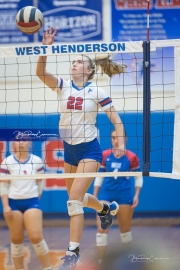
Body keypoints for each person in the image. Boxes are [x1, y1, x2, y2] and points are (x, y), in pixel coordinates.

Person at [36, 27, 126, 270]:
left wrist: (122, 142)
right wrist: (46, 47)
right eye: (72, 61)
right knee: (76, 198)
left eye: (78, 62)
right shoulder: (63, 86)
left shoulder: (96, 91)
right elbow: (40, 72)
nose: (74, 64)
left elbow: (116, 119)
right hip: (69, 150)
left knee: (73, 202)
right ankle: (106, 208)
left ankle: (72, 253)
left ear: (89, 69)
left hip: (89, 150)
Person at [0, 139, 52, 270]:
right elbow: (4, 186)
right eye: (17, 140)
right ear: (14, 144)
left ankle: (48, 268)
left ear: (30, 143)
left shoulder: (36, 160)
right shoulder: (7, 162)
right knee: (16, 239)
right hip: (13, 203)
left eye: (24, 140)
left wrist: (37, 196)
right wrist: (6, 205)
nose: (21, 143)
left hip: (31, 202)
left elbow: (40, 182)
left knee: (36, 237)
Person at [93, 130, 143, 264]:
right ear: (111, 139)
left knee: (125, 230)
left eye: (119, 138)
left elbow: (138, 178)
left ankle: (127, 263)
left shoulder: (132, 157)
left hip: (124, 195)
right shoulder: (104, 155)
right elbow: (99, 177)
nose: (116, 140)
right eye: (113, 137)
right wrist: (95, 196)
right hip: (106, 195)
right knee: (101, 229)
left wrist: (137, 195)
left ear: (125, 139)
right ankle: (101, 262)